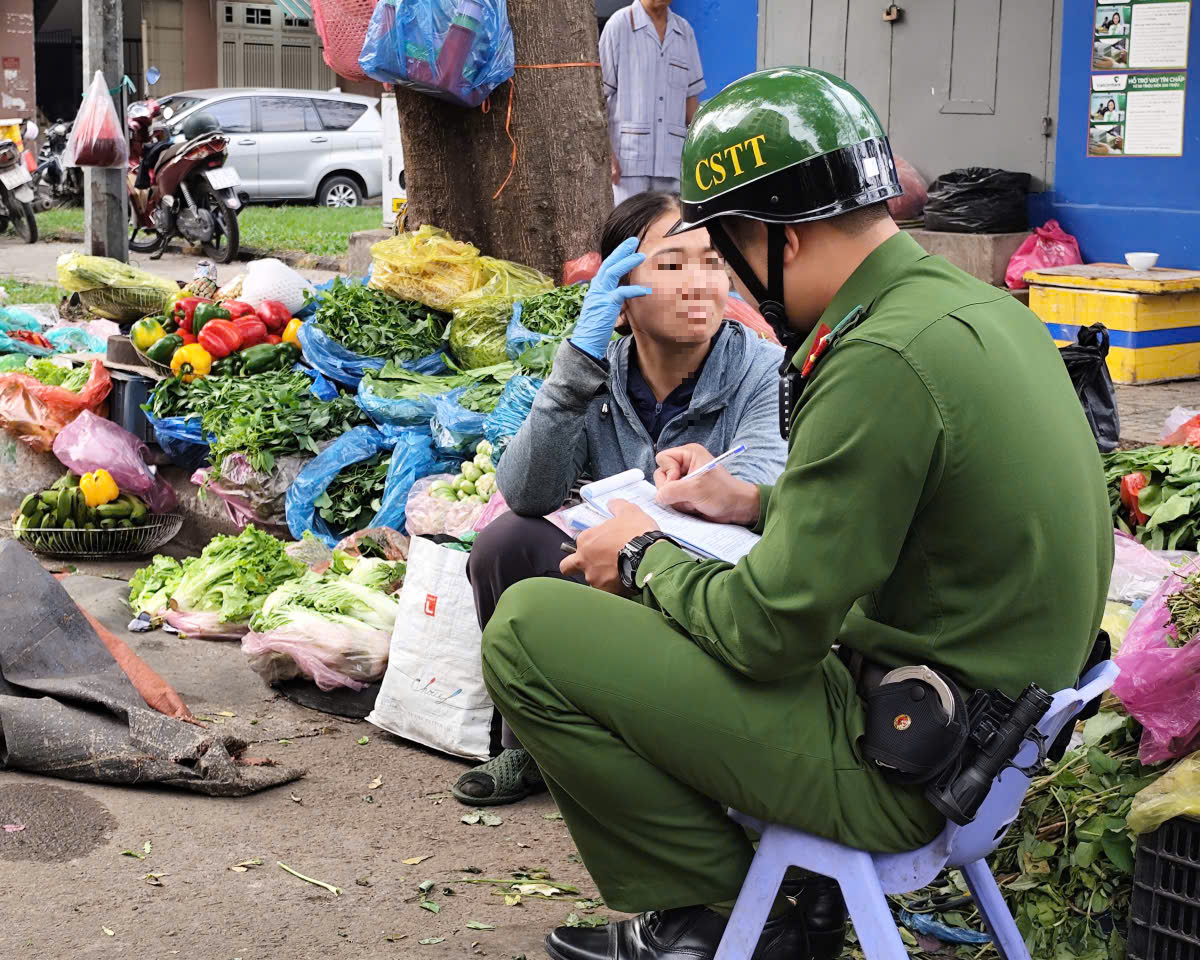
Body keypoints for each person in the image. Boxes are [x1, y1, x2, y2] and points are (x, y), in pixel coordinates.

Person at [480, 66, 1112, 960]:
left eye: (725, 248)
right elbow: (919, 510)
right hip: (981, 741)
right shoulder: (969, 308)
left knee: (529, 626)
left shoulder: (878, 355)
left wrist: (643, 555)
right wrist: (756, 501)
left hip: (903, 764)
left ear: (776, 235)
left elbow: (769, 632)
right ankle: (765, 904)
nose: (725, 282)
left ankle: (726, 915)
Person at [452, 190, 788, 809]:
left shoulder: (762, 368)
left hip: (702, 580)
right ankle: (523, 745)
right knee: (505, 542)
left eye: (713, 260)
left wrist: (707, 488)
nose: (700, 283)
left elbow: (767, 473)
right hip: (611, 567)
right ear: (620, 286)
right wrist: (576, 361)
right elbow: (528, 491)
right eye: (671, 264)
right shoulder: (599, 371)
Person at [600, 0, 705, 205]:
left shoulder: (684, 32)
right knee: (629, 233)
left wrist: (699, 155)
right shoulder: (619, 25)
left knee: (669, 234)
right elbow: (599, 96)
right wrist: (607, 152)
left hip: (672, 162)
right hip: (628, 164)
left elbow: (690, 101)